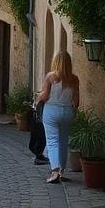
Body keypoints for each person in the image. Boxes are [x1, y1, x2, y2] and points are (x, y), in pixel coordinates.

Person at [37, 51, 80, 183]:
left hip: (51, 111)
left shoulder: (51, 77)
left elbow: (45, 95)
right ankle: (61, 171)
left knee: (52, 140)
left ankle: (55, 171)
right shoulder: (74, 79)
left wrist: (38, 98)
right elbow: (76, 101)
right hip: (67, 112)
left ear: (56, 61)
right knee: (63, 141)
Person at [28, 100, 48, 165]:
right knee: (40, 132)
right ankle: (39, 156)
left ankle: (39, 155)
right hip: (40, 105)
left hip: (40, 104)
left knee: (40, 131)